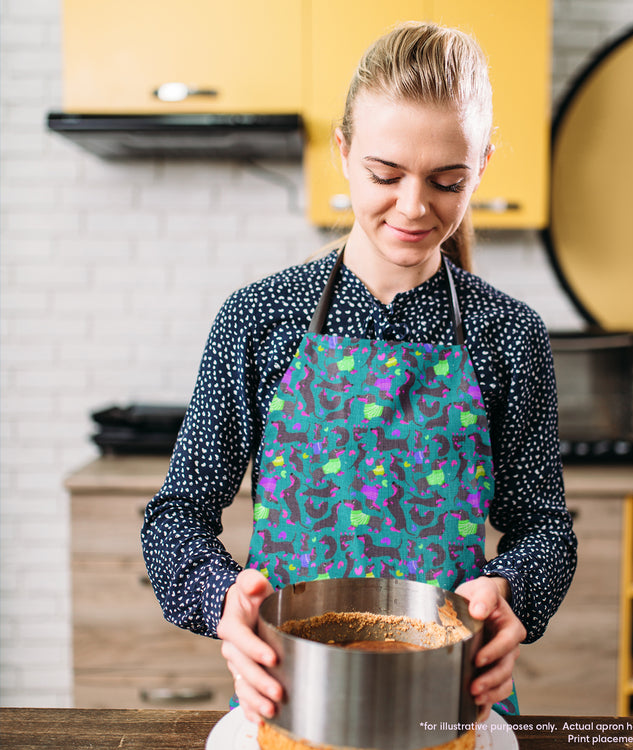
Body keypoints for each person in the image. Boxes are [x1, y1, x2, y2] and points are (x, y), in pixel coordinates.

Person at [141, 20, 577, 725]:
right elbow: (175, 518)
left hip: (449, 700)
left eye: (447, 181)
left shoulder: (509, 336)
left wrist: (514, 595)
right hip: (293, 697)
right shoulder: (260, 318)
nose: (413, 206)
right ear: (343, 155)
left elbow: (545, 530)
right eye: (385, 174)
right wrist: (224, 602)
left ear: (483, 167)